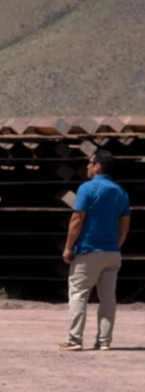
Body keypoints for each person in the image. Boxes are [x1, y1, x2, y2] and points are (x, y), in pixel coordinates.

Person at [59, 149, 130, 351]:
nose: (87, 166)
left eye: (90, 163)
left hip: (88, 250)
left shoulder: (87, 188)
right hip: (112, 252)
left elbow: (77, 219)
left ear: (98, 167)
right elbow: (125, 223)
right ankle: (104, 341)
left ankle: (75, 339)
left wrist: (68, 247)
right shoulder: (120, 191)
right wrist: (117, 244)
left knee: (79, 294)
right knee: (108, 298)